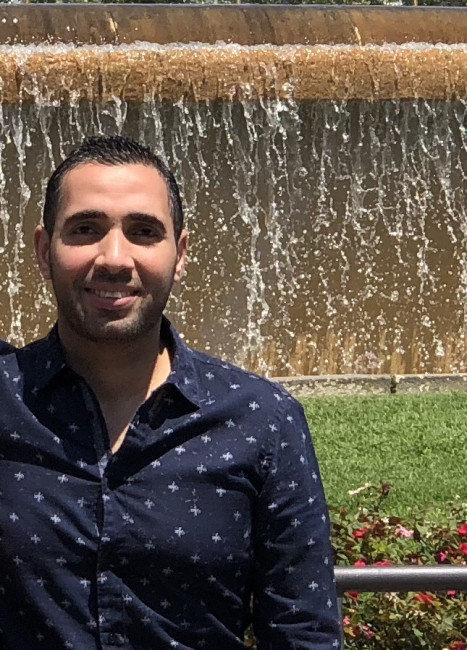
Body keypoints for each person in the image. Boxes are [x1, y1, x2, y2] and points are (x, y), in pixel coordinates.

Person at [0, 135, 341, 649]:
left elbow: (303, 632)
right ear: (44, 251)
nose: (114, 258)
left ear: (179, 255)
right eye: (86, 229)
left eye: (143, 231)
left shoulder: (262, 421)